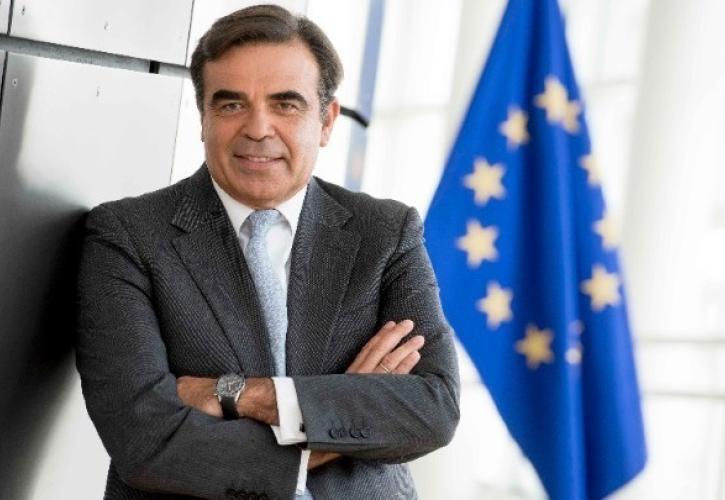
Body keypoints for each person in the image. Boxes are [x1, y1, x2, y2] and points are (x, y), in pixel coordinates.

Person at [76, 4, 460, 499]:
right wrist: (334, 412)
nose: (258, 128)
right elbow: (144, 439)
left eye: (286, 104)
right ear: (203, 118)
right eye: (231, 105)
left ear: (326, 121)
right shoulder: (127, 236)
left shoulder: (385, 231)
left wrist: (237, 393)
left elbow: (433, 406)